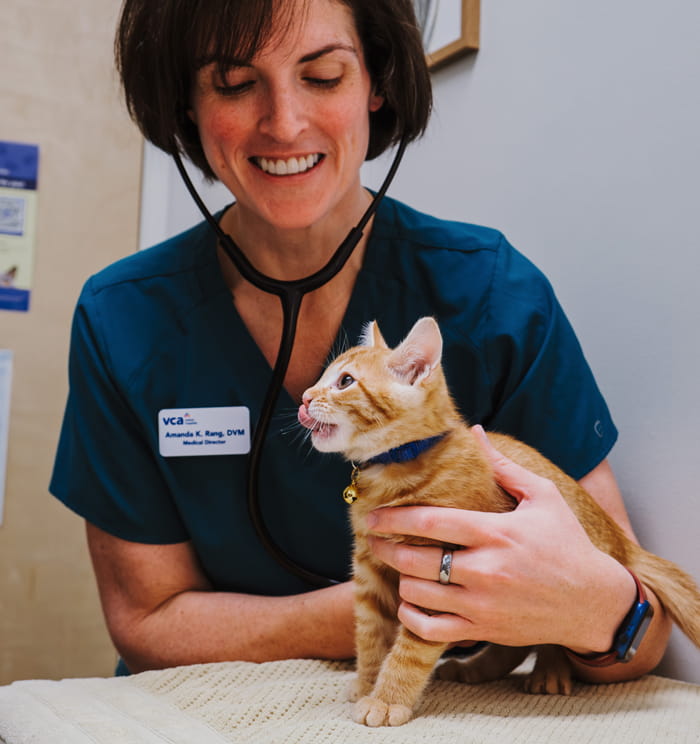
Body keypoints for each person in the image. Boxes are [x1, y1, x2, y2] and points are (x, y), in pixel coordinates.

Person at [50, 0, 671, 682]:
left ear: (376, 81)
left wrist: (589, 611)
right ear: (185, 103)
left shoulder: (492, 295)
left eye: (322, 76)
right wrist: (402, 601)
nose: (284, 123)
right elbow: (147, 623)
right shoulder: (124, 318)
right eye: (233, 82)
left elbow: (638, 635)